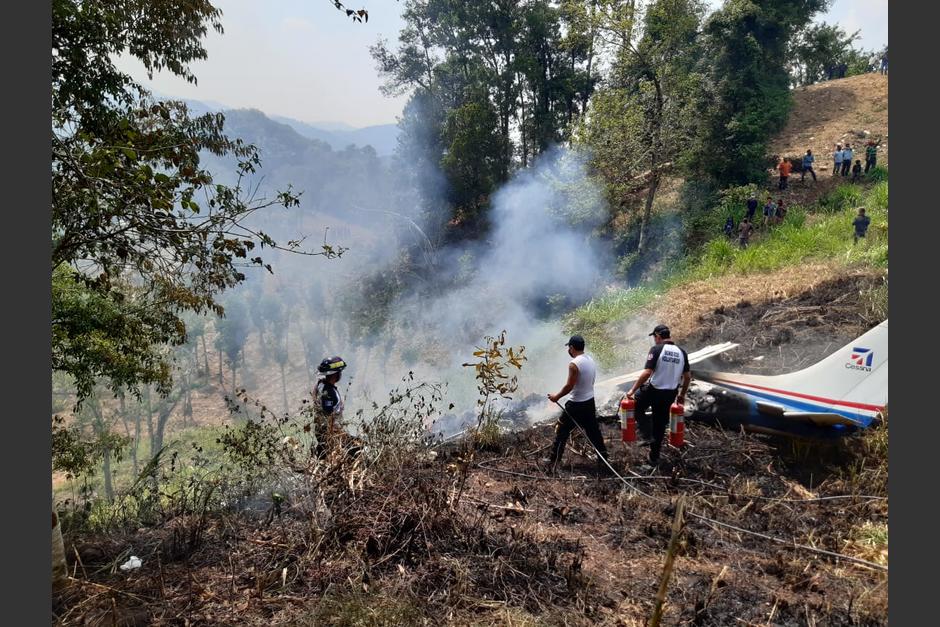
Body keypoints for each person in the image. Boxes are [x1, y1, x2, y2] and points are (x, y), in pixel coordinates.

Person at [625, 325, 691, 470]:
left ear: (658, 336)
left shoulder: (657, 349)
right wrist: (681, 395)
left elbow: (647, 373)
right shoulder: (682, 352)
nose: (654, 340)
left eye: (654, 338)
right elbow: (687, 377)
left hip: (653, 390)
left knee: (635, 407)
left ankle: (646, 434)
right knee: (660, 424)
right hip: (670, 393)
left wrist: (632, 390)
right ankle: (654, 457)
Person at [545, 335, 609, 473]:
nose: (569, 350)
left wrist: (556, 397)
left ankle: (553, 460)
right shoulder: (590, 359)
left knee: (562, 430)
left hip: (576, 404)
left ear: (572, 348)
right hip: (589, 401)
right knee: (593, 431)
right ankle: (603, 457)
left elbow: (569, 386)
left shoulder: (574, 364)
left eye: (569, 347)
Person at [314, 355, 348, 454]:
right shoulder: (329, 392)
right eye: (339, 372)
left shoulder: (320, 384)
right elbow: (328, 415)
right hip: (330, 434)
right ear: (335, 375)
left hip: (322, 432)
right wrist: (339, 434)